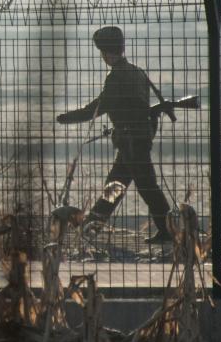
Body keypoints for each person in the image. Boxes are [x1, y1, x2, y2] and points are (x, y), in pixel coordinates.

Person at [56, 26, 172, 244]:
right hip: (137, 139)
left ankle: (171, 231)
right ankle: (91, 228)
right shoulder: (137, 72)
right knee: (118, 186)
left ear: (106, 52)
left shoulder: (116, 77)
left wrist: (66, 118)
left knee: (144, 188)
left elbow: (96, 109)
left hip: (131, 142)